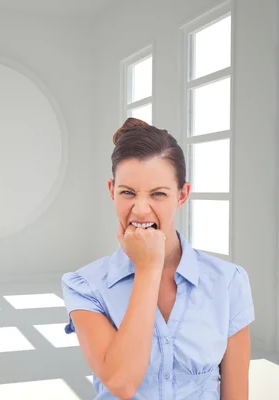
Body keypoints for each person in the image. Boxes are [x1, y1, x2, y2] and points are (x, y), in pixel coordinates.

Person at [61, 118, 255, 400]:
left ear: (182, 195)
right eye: (127, 192)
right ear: (111, 191)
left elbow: (236, 395)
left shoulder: (228, 282)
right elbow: (121, 382)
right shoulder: (84, 285)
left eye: (158, 194)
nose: (140, 209)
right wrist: (148, 268)